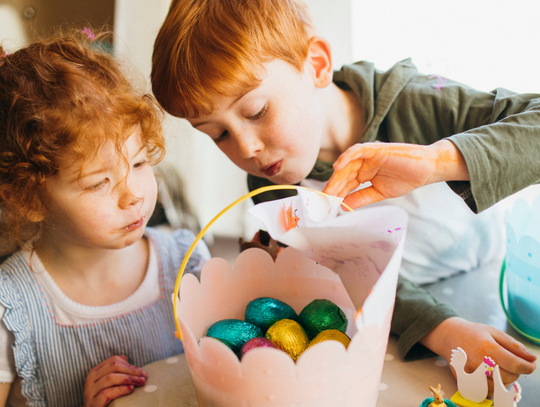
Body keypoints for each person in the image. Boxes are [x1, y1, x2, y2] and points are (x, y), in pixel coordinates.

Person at [150, 0, 537, 389]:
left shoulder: (419, 103)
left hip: (500, 293)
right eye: (219, 134)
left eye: (256, 111)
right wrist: (445, 330)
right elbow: (356, 275)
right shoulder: (272, 187)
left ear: (317, 64)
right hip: (407, 325)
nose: (246, 148)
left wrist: (437, 161)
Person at [0, 30, 210, 407]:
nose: (134, 195)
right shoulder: (10, 309)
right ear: (26, 197)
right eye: (98, 183)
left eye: (140, 162)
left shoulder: (188, 262)